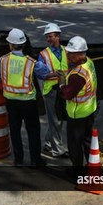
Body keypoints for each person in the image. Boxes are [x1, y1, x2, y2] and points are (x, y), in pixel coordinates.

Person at [0, 28, 50, 167]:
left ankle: (18, 160)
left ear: (10, 45)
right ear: (23, 44)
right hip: (28, 102)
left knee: (15, 130)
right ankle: (36, 160)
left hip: (11, 101)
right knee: (33, 131)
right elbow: (44, 73)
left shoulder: (3, 60)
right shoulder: (30, 62)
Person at [57, 36, 97, 176]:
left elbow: (67, 94)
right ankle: (91, 165)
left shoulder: (77, 75)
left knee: (74, 145)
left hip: (77, 114)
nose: (68, 55)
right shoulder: (89, 63)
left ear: (80, 54)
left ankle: (77, 171)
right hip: (90, 110)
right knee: (87, 141)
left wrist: (61, 82)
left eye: (71, 53)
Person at [38, 23, 69, 159]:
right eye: (47, 37)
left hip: (63, 89)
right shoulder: (43, 55)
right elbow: (40, 74)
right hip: (51, 91)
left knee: (57, 119)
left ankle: (48, 144)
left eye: (50, 36)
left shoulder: (67, 51)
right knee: (56, 120)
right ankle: (58, 150)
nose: (48, 39)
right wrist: (54, 75)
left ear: (58, 36)